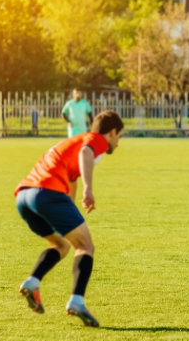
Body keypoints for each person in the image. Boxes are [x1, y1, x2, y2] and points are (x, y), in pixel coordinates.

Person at [14, 111, 125, 327]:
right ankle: (77, 301)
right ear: (112, 132)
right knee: (85, 246)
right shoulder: (96, 139)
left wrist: (71, 209)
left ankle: (32, 282)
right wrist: (89, 190)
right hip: (48, 192)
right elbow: (86, 153)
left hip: (24, 196)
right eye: (119, 137)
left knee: (62, 244)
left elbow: (72, 177)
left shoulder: (75, 141)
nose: (118, 143)